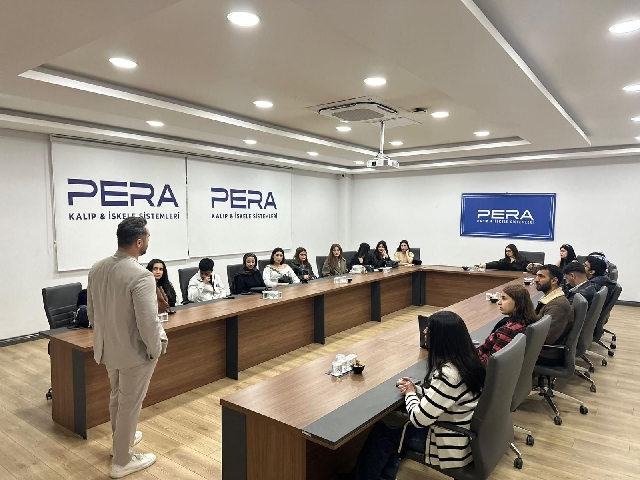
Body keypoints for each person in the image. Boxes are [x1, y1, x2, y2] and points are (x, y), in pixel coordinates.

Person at [348, 311, 485, 479]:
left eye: (429, 329)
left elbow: (419, 419)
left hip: (448, 444)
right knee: (391, 424)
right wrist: (417, 390)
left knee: (383, 431)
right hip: (461, 433)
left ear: (442, 338)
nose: (425, 331)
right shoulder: (466, 361)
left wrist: (410, 394)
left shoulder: (449, 374)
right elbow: (444, 398)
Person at [87, 216, 167, 478]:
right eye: (148, 237)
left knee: (118, 398)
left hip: (107, 349)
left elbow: (92, 313)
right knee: (130, 404)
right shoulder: (142, 275)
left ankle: (121, 441)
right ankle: (122, 460)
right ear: (139, 242)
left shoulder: (97, 268)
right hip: (134, 352)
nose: (149, 241)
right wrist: (156, 348)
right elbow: (148, 322)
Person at [477, 285, 537, 365]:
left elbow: (493, 364)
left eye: (504, 298)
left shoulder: (509, 330)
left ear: (518, 303)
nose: (499, 302)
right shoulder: (527, 322)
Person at [534, 265, 573, 367]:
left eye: (541, 276)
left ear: (554, 280)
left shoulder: (557, 306)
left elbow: (547, 338)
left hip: (546, 354)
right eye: (536, 276)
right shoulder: (552, 298)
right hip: (542, 349)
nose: (536, 280)